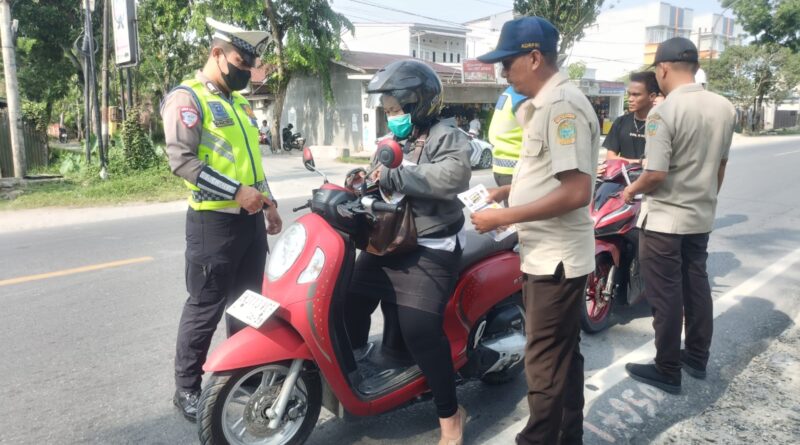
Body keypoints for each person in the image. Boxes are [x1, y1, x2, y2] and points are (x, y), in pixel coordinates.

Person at [472, 17, 598, 445]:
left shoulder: (562, 106)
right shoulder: (546, 105)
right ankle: (569, 435)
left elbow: (577, 191)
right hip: (547, 253)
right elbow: (551, 174)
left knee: (543, 360)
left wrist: (503, 217)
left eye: (508, 63)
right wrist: (505, 190)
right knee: (563, 353)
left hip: (556, 259)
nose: (503, 73)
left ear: (534, 57)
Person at [160, 17, 282, 422]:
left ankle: (244, 375)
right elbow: (182, 161)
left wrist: (269, 203)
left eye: (249, 65)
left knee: (248, 304)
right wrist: (235, 193)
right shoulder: (187, 98)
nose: (245, 71)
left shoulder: (239, 104)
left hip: (249, 222)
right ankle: (187, 389)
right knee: (205, 307)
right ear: (216, 53)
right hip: (213, 225)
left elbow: (251, 163)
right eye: (240, 62)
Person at [345, 59, 471, 445]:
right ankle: (357, 373)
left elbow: (453, 175)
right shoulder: (393, 141)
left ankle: (451, 415)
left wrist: (398, 176)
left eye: (397, 111)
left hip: (431, 246)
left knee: (420, 328)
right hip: (390, 241)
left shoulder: (446, 135)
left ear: (420, 104)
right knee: (347, 302)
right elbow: (375, 174)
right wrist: (358, 184)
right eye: (388, 112)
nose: (392, 118)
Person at [622, 37, 735, 394]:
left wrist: (629, 190)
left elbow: (655, 175)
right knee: (696, 285)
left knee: (665, 295)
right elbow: (720, 166)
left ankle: (667, 367)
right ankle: (697, 357)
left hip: (665, 222)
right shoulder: (724, 107)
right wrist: (704, 198)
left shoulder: (664, 111)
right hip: (700, 216)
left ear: (663, 69)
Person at [598, 71, 661, 174]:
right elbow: (610, 158)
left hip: (650, 183)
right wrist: (640, 162)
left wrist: (624, 161)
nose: (630, 99)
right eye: (629, 94)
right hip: (622, 182)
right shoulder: (620, 122)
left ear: (652, 96)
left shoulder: (662, 124)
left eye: (636, 95)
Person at [488, 86, 527, 188]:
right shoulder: (522, 95)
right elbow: (534, 132)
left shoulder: (510, 92)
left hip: (502, 168)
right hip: (516, 169)